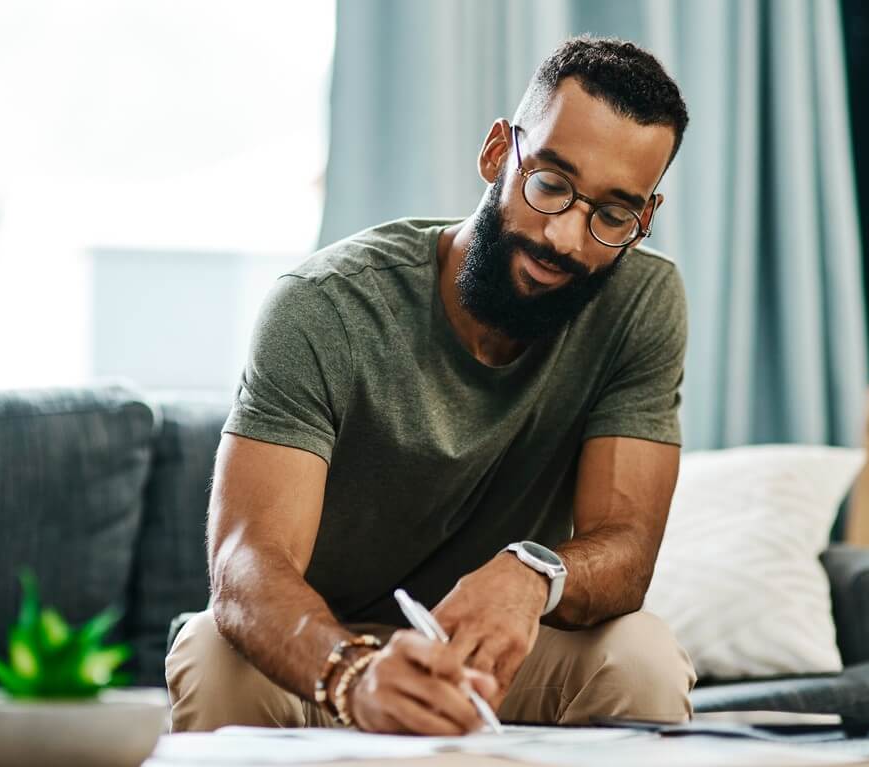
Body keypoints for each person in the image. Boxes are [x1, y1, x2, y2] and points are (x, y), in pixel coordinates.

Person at [167, 35, 696, 735]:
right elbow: (245, 564)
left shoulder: (640, 302)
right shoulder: (324, 306)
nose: (567, 238)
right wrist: (352, 674)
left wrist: (532, 571)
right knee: (213, 650)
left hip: (490, 660)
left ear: (645, 218)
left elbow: (625, 548)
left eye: (611, 214)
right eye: (550, 184)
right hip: (323, 650)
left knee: (642, 655)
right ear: (497, 153)